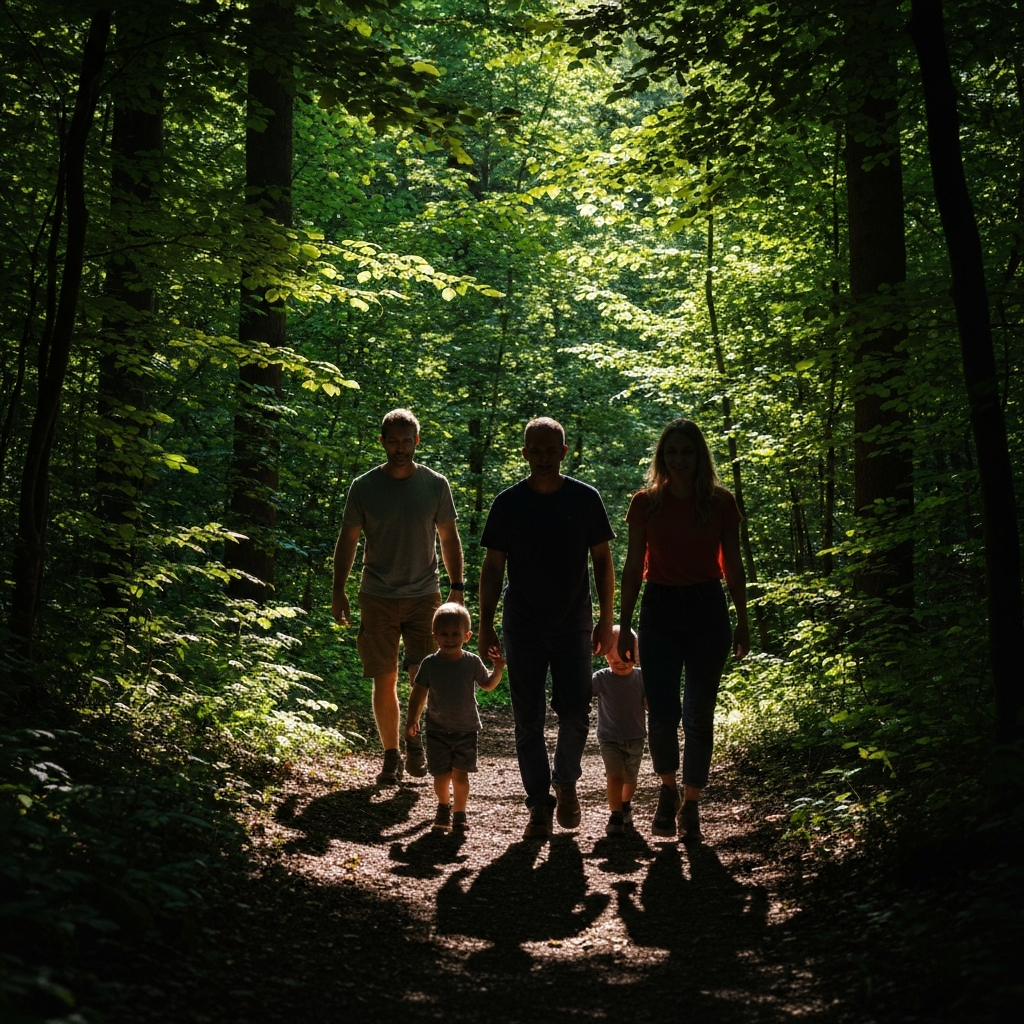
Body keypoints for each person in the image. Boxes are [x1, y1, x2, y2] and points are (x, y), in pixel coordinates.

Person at [479, 416, 616, 838]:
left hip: (574, 624)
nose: (542, 457)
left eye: (550, 449)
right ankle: (538, 802)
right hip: (521, 626)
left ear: (563, 452)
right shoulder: (508, 503)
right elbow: (492, 566)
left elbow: (603, 562)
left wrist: (606, 620)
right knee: (528, 719)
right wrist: (485, 625)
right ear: (524, 453)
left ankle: (566, 781)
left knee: (575, 712)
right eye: (534, 450)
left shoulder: (585, 499)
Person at [617, 417, 749, 841]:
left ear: (699, 456)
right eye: (671, 452)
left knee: (698, 713)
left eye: (687, 451)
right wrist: (623, 624)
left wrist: (743, 618)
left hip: (708, 609)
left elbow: (733, 565)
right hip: (659, 611)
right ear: (662, 457)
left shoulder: (720, 502)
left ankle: (692, 804)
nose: (679, 459)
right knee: (663, 711)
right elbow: (633, 567)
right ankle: (668, 789)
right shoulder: (645, 503)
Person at [332, 408, 466, 786]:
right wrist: (338, 589)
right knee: (384, 677)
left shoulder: (435, 484)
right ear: (383, 442)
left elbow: (449, 538)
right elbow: (349, 541)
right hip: (376, 594)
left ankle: (413, 735)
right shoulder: (364, 487)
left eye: (407, 440)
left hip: (425, 594)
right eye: (393, 440)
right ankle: (391, 755)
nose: (401, 447)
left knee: (421, 675)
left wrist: (456, 588)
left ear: (417, 442)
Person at [405, 603, 504, 832]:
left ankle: (460, 813)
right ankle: (443, 807)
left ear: (467, 635)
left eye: (455, 634)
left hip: (466, 729)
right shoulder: (430, 664)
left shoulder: (471, 662)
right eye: (444, 634)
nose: (449, 639)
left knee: (460, 775)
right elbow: (418, 693)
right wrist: (412, 719)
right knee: (440, 775)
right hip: (437, 729)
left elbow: (488, 685)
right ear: (435, 636)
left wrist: (498, 669)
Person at [592, 625, 646, 836]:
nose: (619, 664)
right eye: (613, 661)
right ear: (606, 658)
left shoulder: (642, 678)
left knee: (630, 779)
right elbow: (583, 693)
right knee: (614, 776)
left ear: (636, 654)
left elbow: (650, 700)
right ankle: (615, 815)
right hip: (609, 738)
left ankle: (625, 805)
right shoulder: (601, 678)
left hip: (635, 737)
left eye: (625, 660)